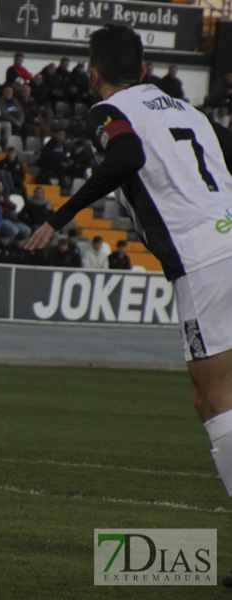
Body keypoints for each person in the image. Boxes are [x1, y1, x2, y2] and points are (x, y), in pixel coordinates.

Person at [25, 25, 232, 497]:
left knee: (214, 400)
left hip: (204, 263)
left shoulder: (109, 111)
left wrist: (59, 218)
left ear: (93, 74)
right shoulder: (188, 110)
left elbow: (127, 154)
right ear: (143, 70)